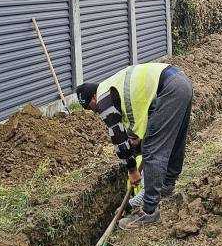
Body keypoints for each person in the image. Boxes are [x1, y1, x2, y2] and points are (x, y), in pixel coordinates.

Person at [76, 62, 193, 230]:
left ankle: (149, 211)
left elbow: (118, 138)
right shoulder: (113, 85)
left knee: (152, 152)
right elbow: (146, 114)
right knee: (175, 142)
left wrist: (132, 170)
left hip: (169, 90)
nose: (95, 112)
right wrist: (138, 142)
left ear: (93, 99)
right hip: (181, 82)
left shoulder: (103, 100)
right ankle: (166, 189)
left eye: (90, 107)